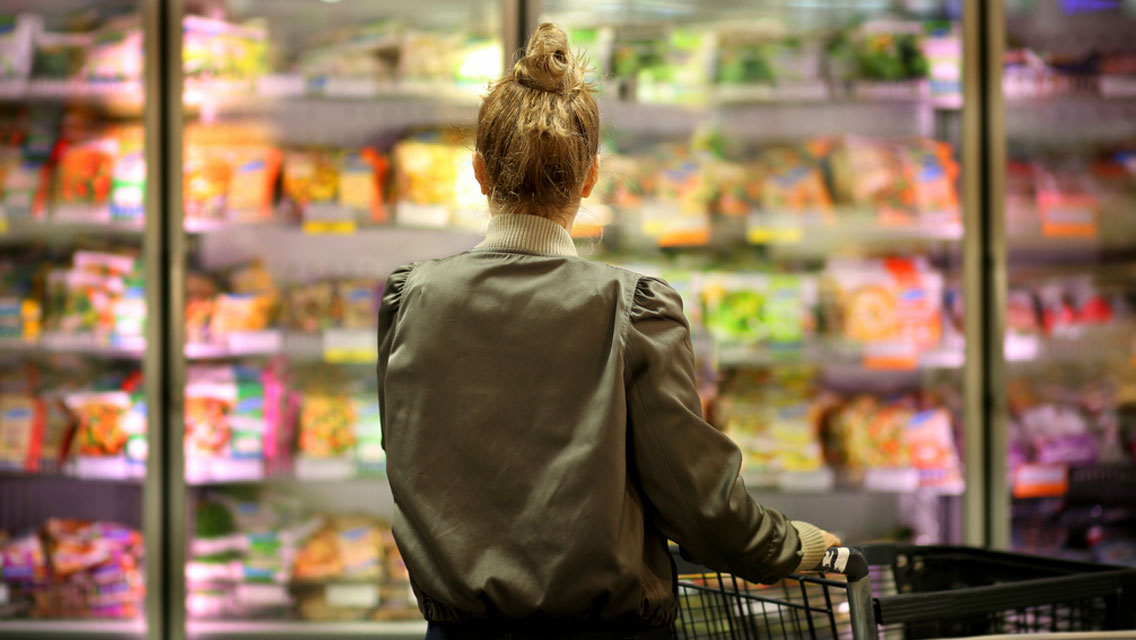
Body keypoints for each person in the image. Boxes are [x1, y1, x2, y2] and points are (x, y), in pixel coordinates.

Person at [376, 23, 841, 640]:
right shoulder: (633, 309)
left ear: (480, 174)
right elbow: (700, 506)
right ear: (591, 178)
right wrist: (794, 547)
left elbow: (411, 458)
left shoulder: (411, 298)